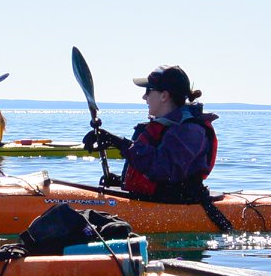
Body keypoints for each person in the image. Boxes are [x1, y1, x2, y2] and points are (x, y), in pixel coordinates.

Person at [83, 65, 218, 202]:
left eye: (148, 91)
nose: (144, 96)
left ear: (164, 96)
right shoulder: (164, 127)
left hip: (179, 206)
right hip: (156, 200)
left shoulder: (190, 130)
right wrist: (121, 181)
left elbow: (163, 169)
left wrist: (120, 142)